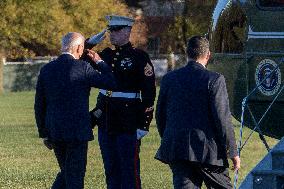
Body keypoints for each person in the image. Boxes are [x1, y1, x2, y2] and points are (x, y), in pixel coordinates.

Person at [155, 36, 240, 189]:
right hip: (209, 153)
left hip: (178, 148)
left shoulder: (169, 79)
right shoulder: (215, 79)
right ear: (208, 55)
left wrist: (171, 137)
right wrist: (232, 151)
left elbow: (160, 115)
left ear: (187, 53)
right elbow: (222, 119)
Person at [34, 32, 117, 189]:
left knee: (66, 172)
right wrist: (99, 62)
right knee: (75, 176)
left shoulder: (47, 69)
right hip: (77, 132)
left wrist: (44, 133)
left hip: (55, 131)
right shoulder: (82, 67)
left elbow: (39, 104)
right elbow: (111, 82)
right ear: (79, 47)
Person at [83, 15, 156, 189]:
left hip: (128, 121)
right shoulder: (105, 55)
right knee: (111, 170)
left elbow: (148, 92)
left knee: (129, 172)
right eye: (110, 31)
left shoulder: (139, 57)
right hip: (106, 120)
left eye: (116, 30)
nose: (111, 35)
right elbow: (78, 60)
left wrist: (143, 125)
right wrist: (89, 44)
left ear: (127, 31)